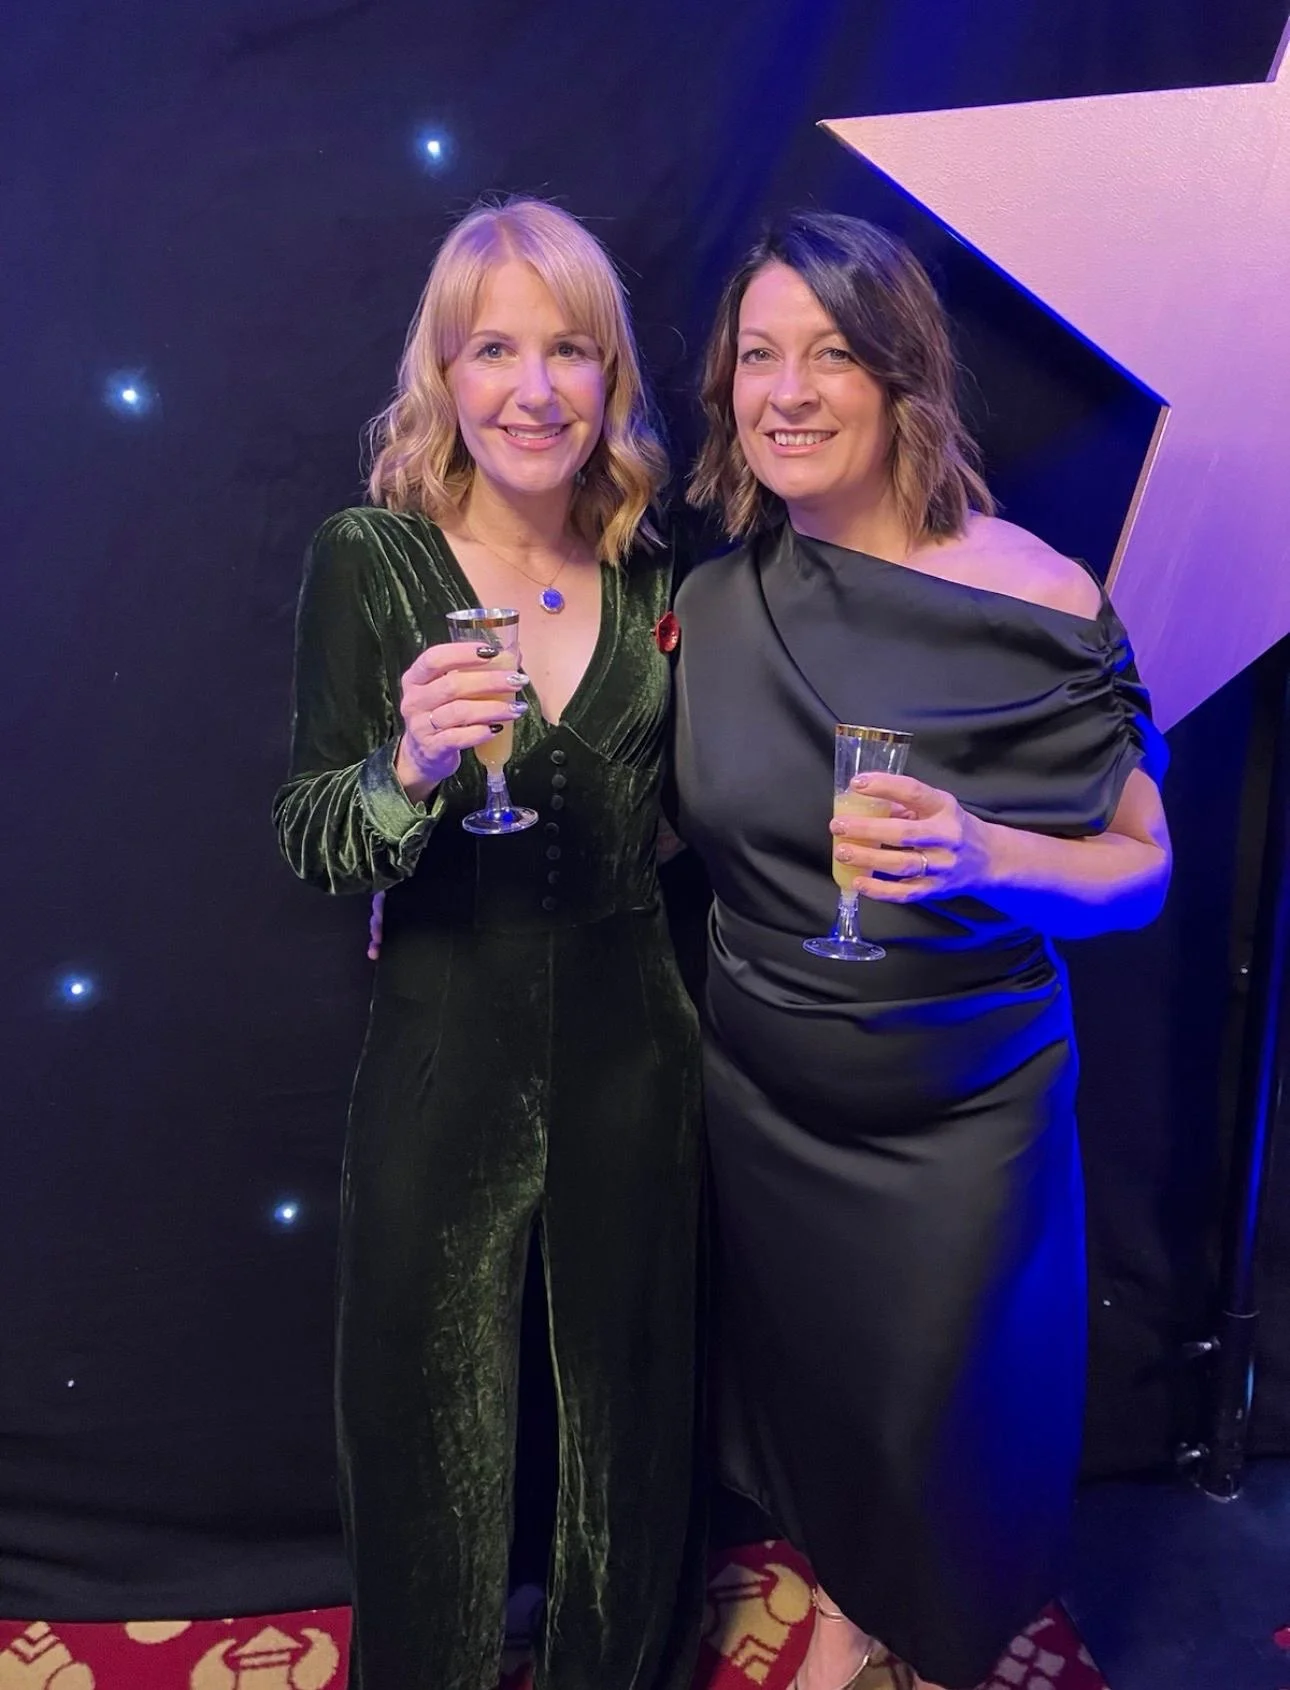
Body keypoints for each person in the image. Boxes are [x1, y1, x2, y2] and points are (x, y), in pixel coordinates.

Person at [672, 211, 1171, 1690]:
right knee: (826, 1399)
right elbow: (655, 822)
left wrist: (986, 856)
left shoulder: (1039, 597)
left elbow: (1141, 871)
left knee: (949, 1413)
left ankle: (939, 1646)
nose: (788, 390)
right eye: (757, 356)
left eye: (830, 352)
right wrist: (419, 828)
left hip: (964, 1110)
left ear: (902, 376)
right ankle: (848, 1601)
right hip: (765, 1095)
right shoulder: (709, 600)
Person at [274, 197, 704, 1690]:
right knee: (419, 1429)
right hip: (441, 1040)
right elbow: (309, 834)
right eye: (494, 348)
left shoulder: (662, 574)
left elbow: (688, 815)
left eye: (570, 349)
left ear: (611, 376)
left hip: (632, 1041)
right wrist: (401, 775)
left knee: (631, 1423)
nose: (534, 387)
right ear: (444, 376)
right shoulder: (371, 558)